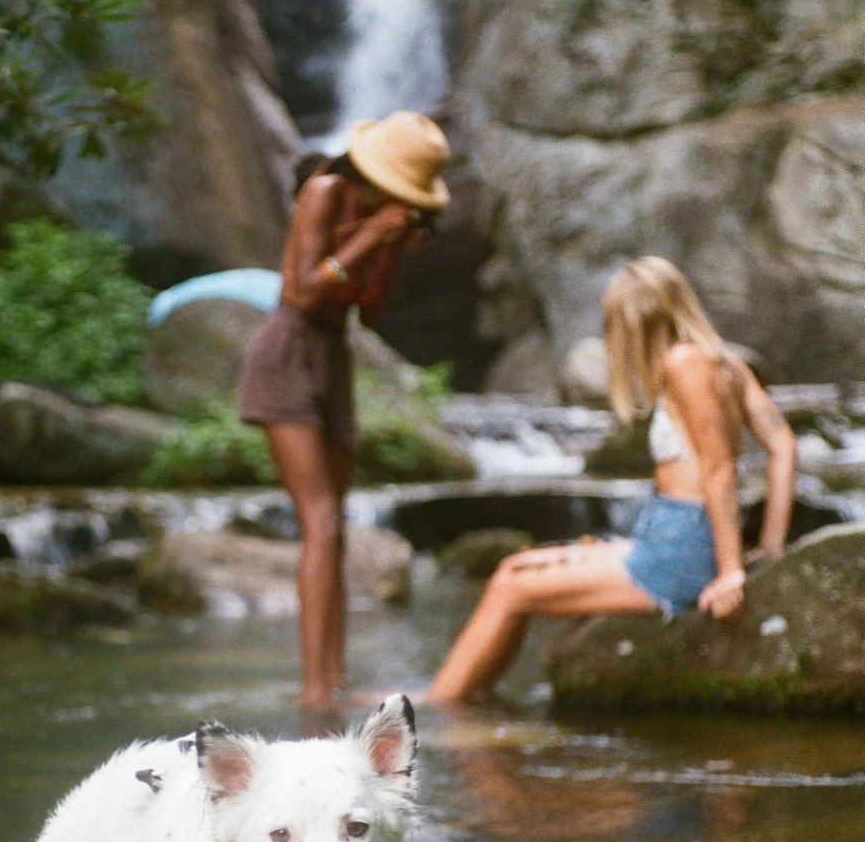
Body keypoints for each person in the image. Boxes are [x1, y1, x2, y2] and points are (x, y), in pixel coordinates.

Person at [428, 256, 797, 704]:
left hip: (680, 548)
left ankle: (440, 712)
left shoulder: (684, 364)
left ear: (635, 322)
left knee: (510, 587)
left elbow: (717, 471)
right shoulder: (728, 364)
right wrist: (772, 542)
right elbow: (782, 445)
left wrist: (731, 572)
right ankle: (468, 695)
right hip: (669, 534)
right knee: (514, 568)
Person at [240, 112, 450, 710]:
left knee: (334, 526)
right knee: (322, 519)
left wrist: (394, 248)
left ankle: (333, 681)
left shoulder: (380, 220)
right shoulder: (325, 191)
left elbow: (373, 313)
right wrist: (367, 237)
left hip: (334, 357)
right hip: (288, 351)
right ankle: (315, 691)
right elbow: (302, 291)